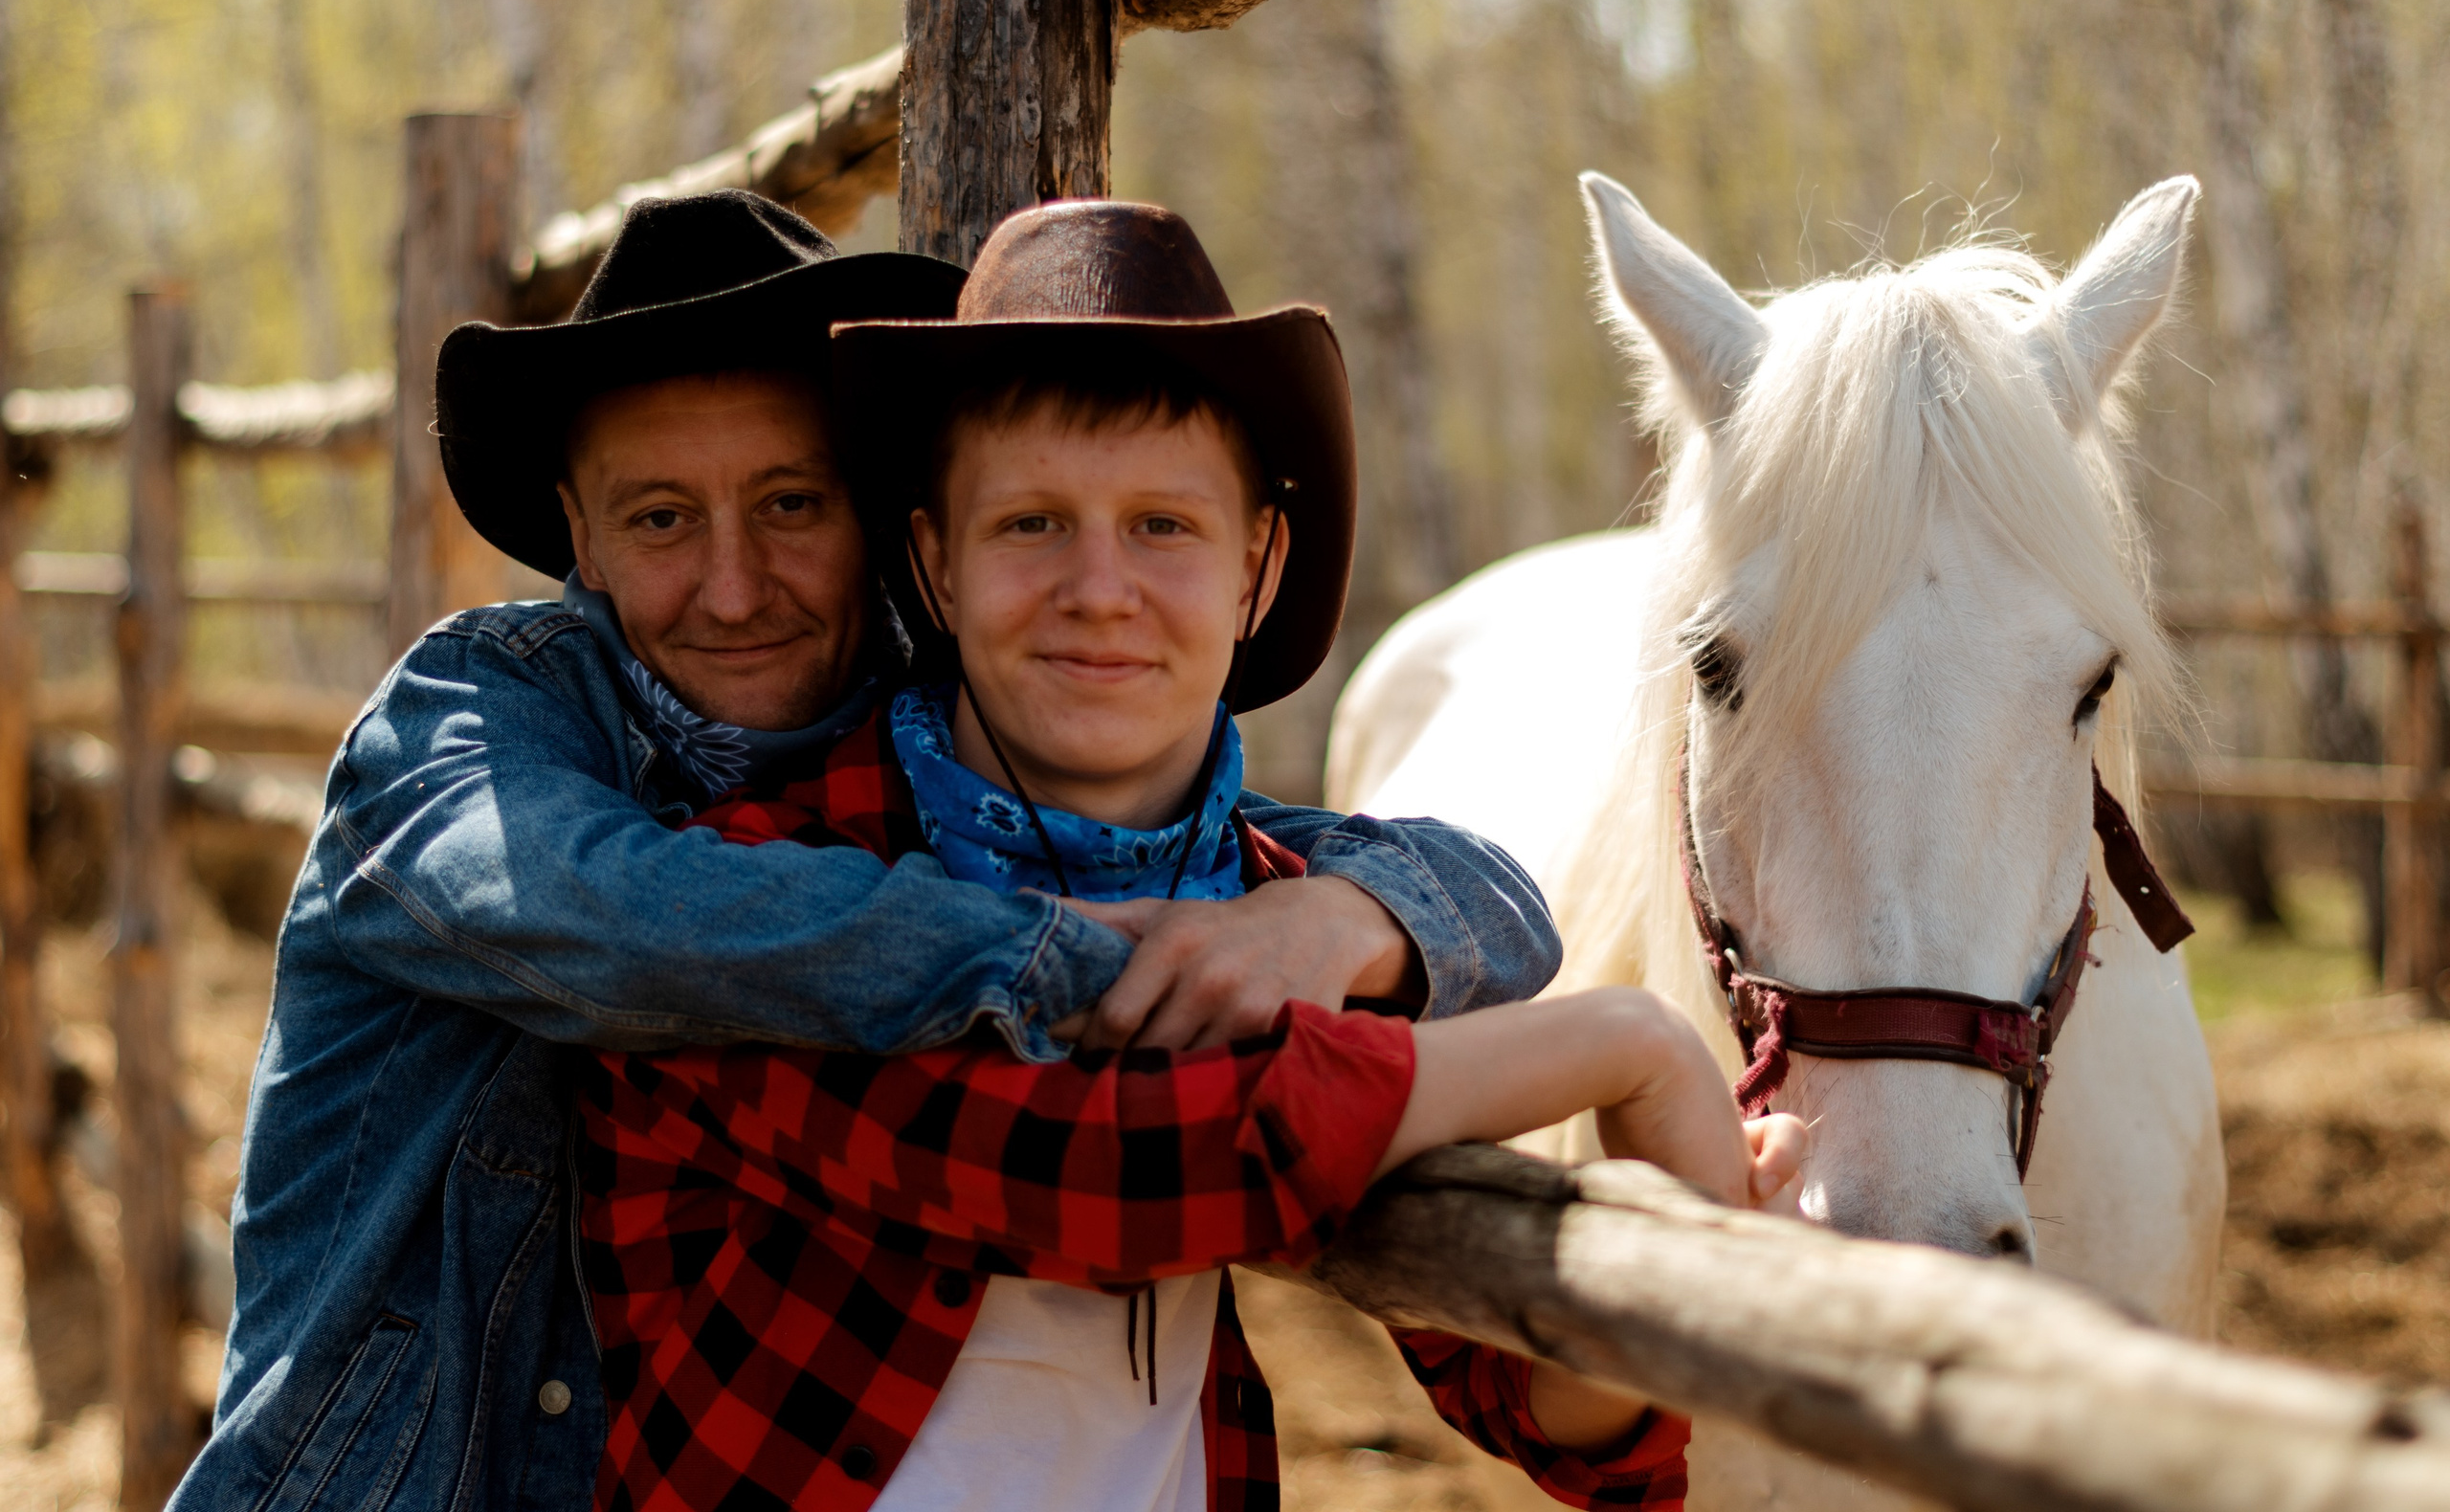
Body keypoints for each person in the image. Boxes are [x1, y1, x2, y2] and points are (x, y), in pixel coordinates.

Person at [171, 193, 1572, 1512]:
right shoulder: (475, 725)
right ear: (580, 538)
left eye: (790, 505)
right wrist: (1076, 958)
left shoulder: (945, 763)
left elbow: (1321, 859)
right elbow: (629, 915)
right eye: (662, 519)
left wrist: (1348, 916)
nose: (732, 585)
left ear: (878, 536)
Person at [576, 200, 1807, 1512]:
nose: (1099, 587)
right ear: (932, 565)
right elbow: (1111, 1175)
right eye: (1030, 524)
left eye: (1163, 526)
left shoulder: (1279, 914)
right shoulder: (750, 895)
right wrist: (1624, 1046)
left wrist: (1673, 1221)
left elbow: (1552, 1421)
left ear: (1255, 568)